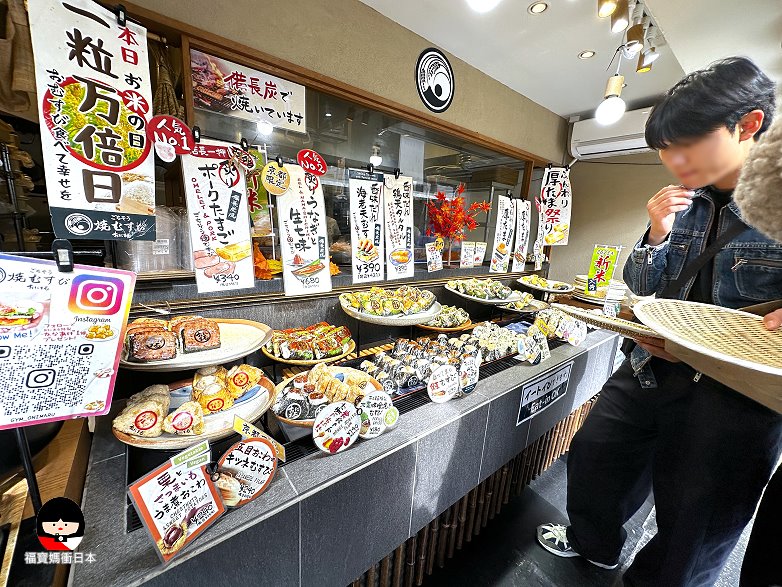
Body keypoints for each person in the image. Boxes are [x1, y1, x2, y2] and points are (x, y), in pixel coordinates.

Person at [536, 57, 782, 586]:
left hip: (732, 393)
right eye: (665, 150)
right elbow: (647, 287)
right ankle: (594, 546)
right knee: (596, 453)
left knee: (695, 522)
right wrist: (656, 232)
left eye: (686, 144)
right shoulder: (689, 203)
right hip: (651, 364)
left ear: (749, 125)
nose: (673, 161)